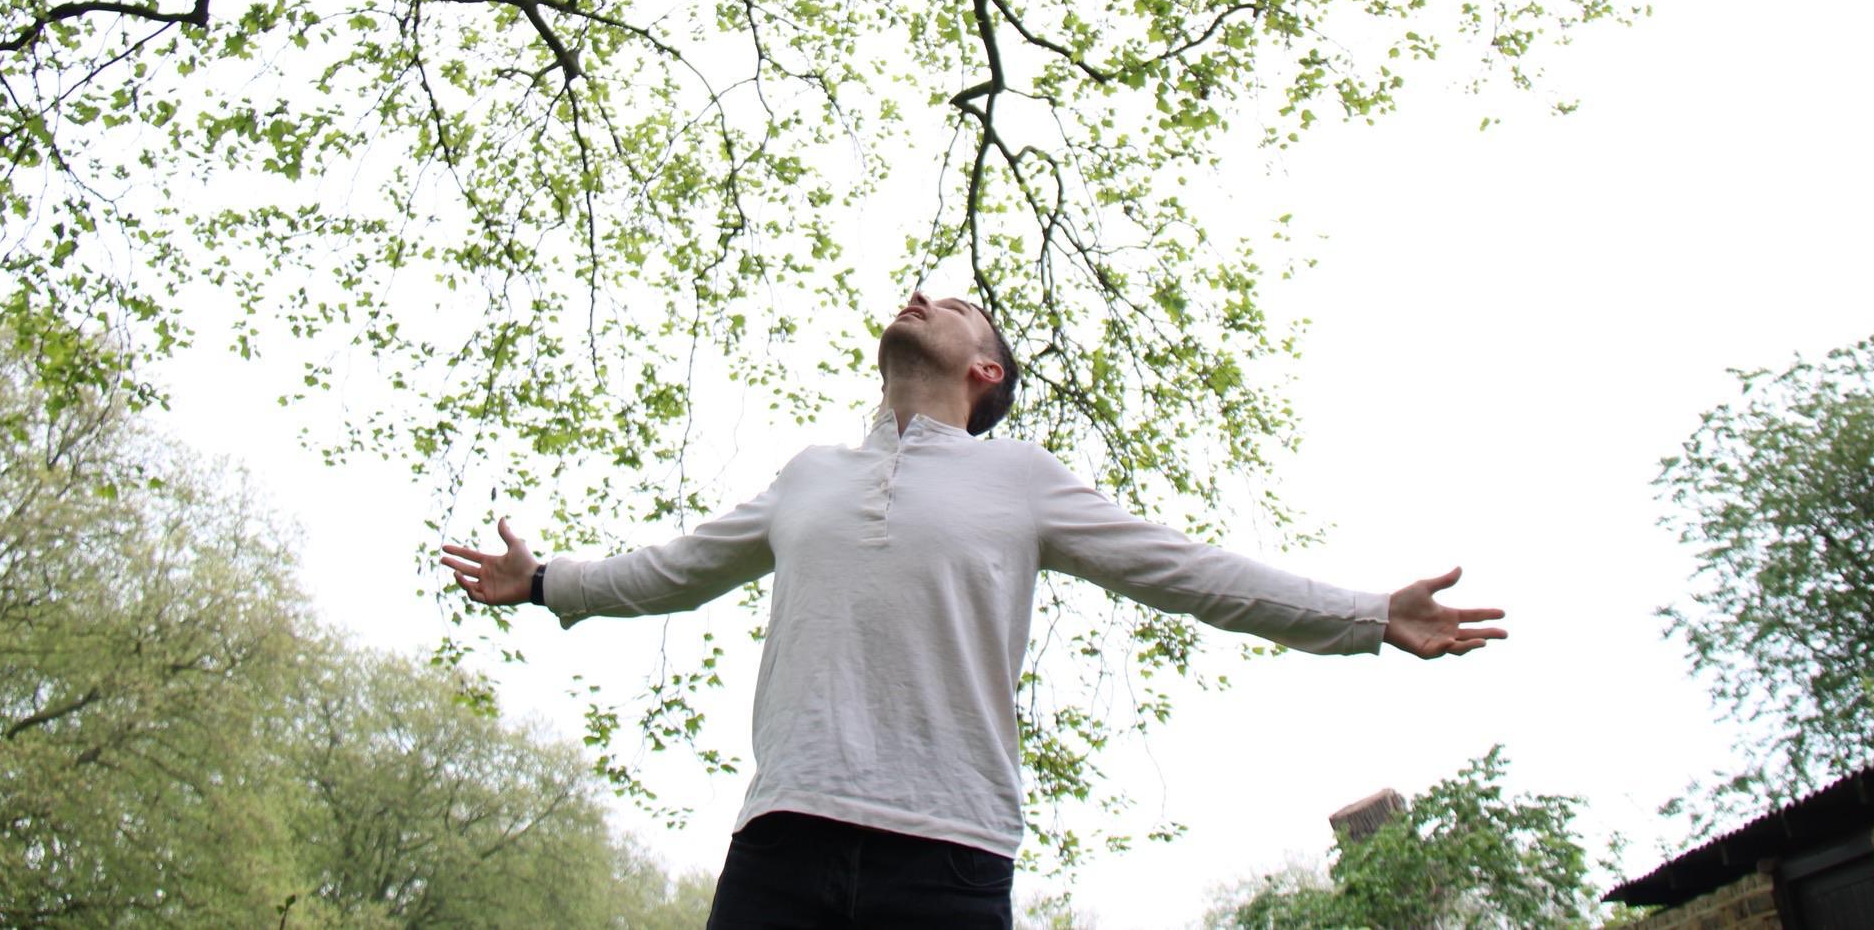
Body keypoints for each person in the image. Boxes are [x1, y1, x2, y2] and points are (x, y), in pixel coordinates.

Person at [441, 291, 1507, 929]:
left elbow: (1190, 571)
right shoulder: (806, 475)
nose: (920, 297)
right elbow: (670, 568)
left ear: (982, 368)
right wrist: (544, 582)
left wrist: (1368, 614)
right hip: (782, 844)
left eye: (950, 306)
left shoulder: (1020, 481)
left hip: (948, 857)